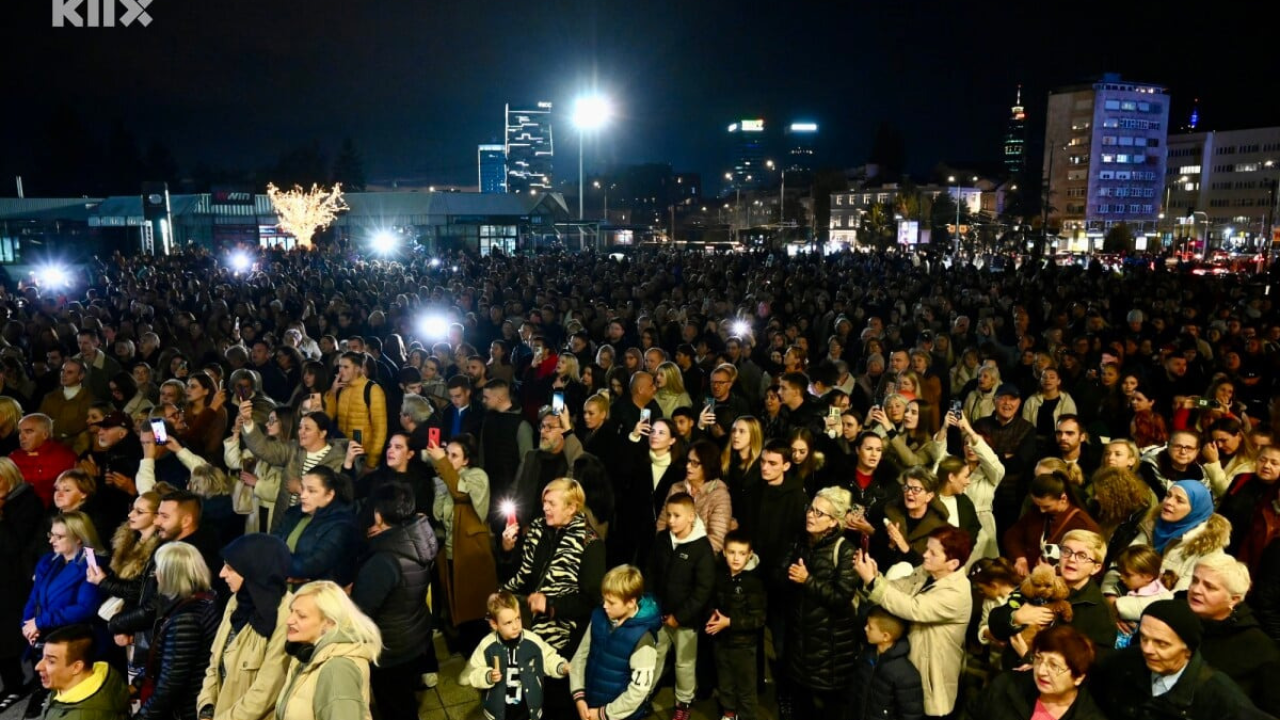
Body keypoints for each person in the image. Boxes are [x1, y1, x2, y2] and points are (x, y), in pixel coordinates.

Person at [855, 526, 973, 719]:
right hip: (909, 668)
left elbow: (913, 608)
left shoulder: (957, 593)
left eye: (933, 553)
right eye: (927, 548)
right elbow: (900, 587)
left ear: (952, 564)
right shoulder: (928, 572)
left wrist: (873, 583)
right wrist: (876, 577)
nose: (925, 555)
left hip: (933, 677)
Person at [351, 482, 438, 720]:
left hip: (391, 649)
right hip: (414, 635)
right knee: (404, 700)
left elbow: (361, 610)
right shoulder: (419, 537)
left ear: (378, 515)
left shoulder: (385, 559)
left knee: (395, 708)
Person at [1091, 599, 1261, 720]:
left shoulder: (1218, 694)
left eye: (1162, 644)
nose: (1147, 649)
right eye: (1144, 638)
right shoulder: (1124, 663)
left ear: (1188, 650)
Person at [501, 478, 606, 656]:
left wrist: (550, 604)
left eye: (552, 503)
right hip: (527, 621)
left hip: (565, 633)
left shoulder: (590, 543)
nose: (545, 508)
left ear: (571, 508)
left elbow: (591, 600)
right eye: (544, 502)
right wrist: (507, 550)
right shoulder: (537, 531)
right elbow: (520, 577)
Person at [197, 534, 293, 720]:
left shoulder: (287, 616)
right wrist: (206, 708)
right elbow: (214, 663)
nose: (222, 574)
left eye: (230, 569)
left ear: (255, 570)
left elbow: (265, 692)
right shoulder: (236, 601)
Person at [783, 486, 860, 719]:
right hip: (802, 641)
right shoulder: (802, 541)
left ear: (833, 522)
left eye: (819, 513)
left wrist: (808, 580)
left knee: (829, 708)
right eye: (811, 509)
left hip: (831, 647)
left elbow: (841, 597)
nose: (810, 515)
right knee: (802, 702)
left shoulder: (845, 551)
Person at [988, 529, 1117, 661]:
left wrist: (1030, 658)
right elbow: (995, 624)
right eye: (1066, 551)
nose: (1071, 559)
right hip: (1011, 670)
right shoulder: (1039, 582)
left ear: (1096, 567)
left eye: (1082, 556)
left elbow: (1095, 665)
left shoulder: (1100, 611)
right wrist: (1016, 617)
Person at [1186, 553, 1280, 716]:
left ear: (1234, 599)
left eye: (1209, 587)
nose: (1196, 590)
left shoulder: (1260, 649)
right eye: (1194, 580)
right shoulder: (1175, 617)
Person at [273, 580, 382, 720]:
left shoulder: (337, 669)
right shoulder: (308, 655)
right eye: (291, 611)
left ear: (329, 622)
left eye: (301, 616)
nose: (289, 620)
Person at [648, 493, 715, 720]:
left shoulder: (701, 548)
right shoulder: (663, 540)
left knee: (684, 663)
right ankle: (644, 695)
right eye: (669, 515)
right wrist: (653, 607)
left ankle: (683, 703)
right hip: (660, 614)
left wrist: (680, 616)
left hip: (686, 621)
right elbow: (652, 573)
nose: (672, 520)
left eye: (677, 516)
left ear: (691, 517)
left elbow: (703, 591)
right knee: (654, 656)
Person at [135, 541, 219, 720]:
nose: (155, 574)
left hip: (181, 711)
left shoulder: (185, 620)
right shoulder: (207, 600)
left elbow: (169, 687)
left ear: (171, 575)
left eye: (159, 569)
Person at [235, 402, 349, 533]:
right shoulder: (293, 449)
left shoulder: (336, 459)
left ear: (322, 433)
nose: (301, 432)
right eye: (300, 428)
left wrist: (300, 488)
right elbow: (263, 449)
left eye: (307, 429)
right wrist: (248, 422)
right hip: (283, 522)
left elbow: (333, 498)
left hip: (312, 528)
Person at [569, 565, 662, 720]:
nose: (604, 605)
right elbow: (580, 656)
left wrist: (603, 714)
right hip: (589, 705)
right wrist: (579, 697)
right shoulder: (599, 616)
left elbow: (638, 691)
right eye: (604, 599)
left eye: (611, 602)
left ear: (631, 602)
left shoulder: (643, 639)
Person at [462, 591, 571, 720]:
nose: (515, 626)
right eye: (508, 622)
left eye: (518, 618)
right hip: (499, 712)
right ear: (494, 624)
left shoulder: (532, 641)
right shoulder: (487, 646)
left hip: (528, 708)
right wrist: (488, 676)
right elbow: (474, 673)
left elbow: (548, 658)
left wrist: (560, 666)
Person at [428, 433, 496, 635]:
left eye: (453, 455)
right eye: (446, 453)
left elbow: (461, 493)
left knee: (473, 605)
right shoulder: (447, 477)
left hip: (470, 550)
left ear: (466, 460)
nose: (448, 458)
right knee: (454, 603)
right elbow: (439, 513)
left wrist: (441, 461)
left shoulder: (477, 476)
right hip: (449, 549)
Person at [961, 625, 1106, 720]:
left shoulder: (1088, 715)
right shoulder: (1007, 685)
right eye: (1038, 658)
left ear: (1079, 677)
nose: (1041, 671)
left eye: (1054, 666)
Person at [705, 530, 766, 720]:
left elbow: (759, 618)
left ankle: (747, 716)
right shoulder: (720, 575)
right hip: (722, 642)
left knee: (746, 687)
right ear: (724, 551)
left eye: (741, 553)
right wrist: (712, 615)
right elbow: (712, 601)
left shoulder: (754, 582)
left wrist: (729, 622)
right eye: (732, 552)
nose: (736, 558)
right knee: (725, 683)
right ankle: (729, 713)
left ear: (749, 554)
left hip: (744, 646)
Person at [0, 457, 45, 710]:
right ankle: (11, 683)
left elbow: (13, 547)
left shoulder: (26, 501)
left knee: (9, 635)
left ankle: (18, 685)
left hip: (14, 579)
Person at [272, 466, 360, 588]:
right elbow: (270, 545)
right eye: (302, 489)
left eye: (311, 491)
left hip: (317, 597)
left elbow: (308, 566)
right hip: (281, 591)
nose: (303, 495)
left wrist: (275, 564)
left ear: (329, 495)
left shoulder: (341, 526)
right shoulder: (293, 513)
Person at [1003, 471, 1101, 575]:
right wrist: (1020, 558)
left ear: (1063, 498)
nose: (1042, 511)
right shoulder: (1036, 512)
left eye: (1047, 506)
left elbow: (1091, 563)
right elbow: (1012, 535)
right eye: (1038, 505)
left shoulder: (1084, 525)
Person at [33, 624, 130, 720]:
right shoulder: (102, 672)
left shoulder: (81, 716)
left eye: (51, 661)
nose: (38, 667)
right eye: (43, 657)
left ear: (76, 667)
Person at [655, 439, 732, 554]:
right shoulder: (676, 488)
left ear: (707, 465)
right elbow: (661, 526)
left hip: (700, 560)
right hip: (670, 554)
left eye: (694, 463)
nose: (688, 466)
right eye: (688, 461)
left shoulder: (719, 495)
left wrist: (685, 556)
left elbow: (717, 539)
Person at [848, 608, 925, 720]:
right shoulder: (867, 655)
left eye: (870, 627)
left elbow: (911, 715)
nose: (865, 629)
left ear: (885, 636)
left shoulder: (906, 674)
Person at [1110, 545, 1173, 648]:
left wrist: (1116, 610)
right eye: (1121, 572)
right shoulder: (1128, 587)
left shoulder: (1162, 597)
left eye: (1127, 574)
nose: (1121, 577)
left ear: (1148, 576)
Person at [11, 413, 79, 508]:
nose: (21, 437)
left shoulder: (65, 457)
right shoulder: (14, 457)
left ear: (45, 434)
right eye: (20, 432)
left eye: (28, 432)